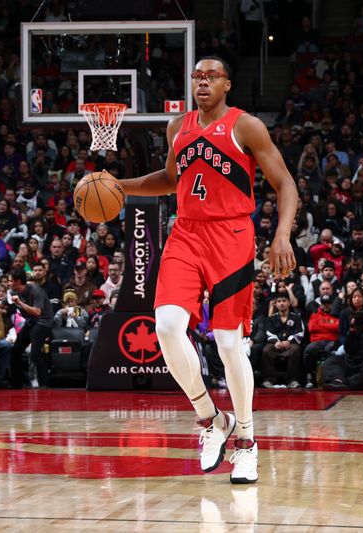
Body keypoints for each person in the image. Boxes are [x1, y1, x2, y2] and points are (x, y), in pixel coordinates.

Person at [118, 56, 298, 484]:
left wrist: (283, 235)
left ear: (227, 84)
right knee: (165, 325)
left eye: (211, 76)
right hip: (185, 233)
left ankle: (247, 443)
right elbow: (170, 179)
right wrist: (118, 186)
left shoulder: (247, 126)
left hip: (232, 237)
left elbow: (285, 183)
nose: (202, 82)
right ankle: (211, 419)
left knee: (230, 345)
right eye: (197, 76)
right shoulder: (177, 126)